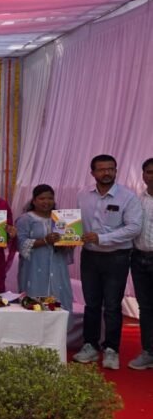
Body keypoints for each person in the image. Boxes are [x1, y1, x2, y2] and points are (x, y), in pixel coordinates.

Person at [73, 154, 142, 370]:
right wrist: (69, 235)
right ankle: (90, 346)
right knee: (91, 304)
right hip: (89, 256)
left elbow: (134, 228)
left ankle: (112, 349)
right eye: (101, 169)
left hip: (117, 257)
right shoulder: (83, 195)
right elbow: (75, 223)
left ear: (116, 171)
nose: (106, 173)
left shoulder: (128, 197)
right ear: (92, 172)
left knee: (112, 306)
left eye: (111, 169)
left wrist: (102, 238)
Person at [15, 184, 73, 313]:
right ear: (34, 201)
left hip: (57, 265)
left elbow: (66, 241)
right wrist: (45, 241)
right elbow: (20, 243)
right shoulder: (25, 219)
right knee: (34, 303)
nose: (46, 201)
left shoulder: (60, 219)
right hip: (34, 267)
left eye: (50, 198)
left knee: (59, 302)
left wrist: (68, 244)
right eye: (42, 198)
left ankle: (58, 326)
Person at [130, 158, 153, 369]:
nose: (152, 176)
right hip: (139, 259)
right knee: (145, 307)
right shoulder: (137, 201)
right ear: (143, 175)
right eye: (149, 172)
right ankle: (148, 352)